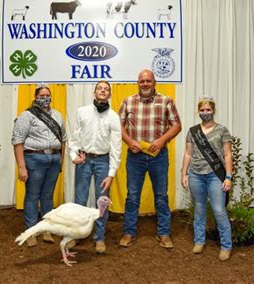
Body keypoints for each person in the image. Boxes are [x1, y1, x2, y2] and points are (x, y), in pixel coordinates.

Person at [118, 69, 182, 249]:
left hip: (158, 157)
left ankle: (164, 233)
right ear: (137, 83)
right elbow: (118, 125)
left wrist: (162, 140)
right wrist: (129, 141)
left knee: (161, 196)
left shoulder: (166, 101)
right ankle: (129, 232)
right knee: (132, 196)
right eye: (142, 81)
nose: (145, 84)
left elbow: (177, 125)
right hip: (135, 157)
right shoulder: (128, 101)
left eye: (148, 81)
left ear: (154, 82)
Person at [68, 81, 122, 254]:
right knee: (80, 199)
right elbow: (75, 137)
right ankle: (76, 235)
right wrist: (74, 156)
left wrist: (111, 173)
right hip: (84, 159)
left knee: (102, 201)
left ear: (110, 95)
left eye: (106, 89)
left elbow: (116, 146)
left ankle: (99, 237)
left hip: (103, 161)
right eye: (100, 88)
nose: (103, 91)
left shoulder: (114, 117)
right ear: (94, 92)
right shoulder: (82, 112)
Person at [12, 84, 66, 247]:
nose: (45, 98)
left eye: (47, 95)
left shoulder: (57, 115)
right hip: (35, 158)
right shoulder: (27, 115)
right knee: (32, 195)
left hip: (54, 158)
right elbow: (17, 141)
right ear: (35, 97)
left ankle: (46, 229)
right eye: (41, 95)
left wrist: (61, 161)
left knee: (47, 196)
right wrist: (21, 166)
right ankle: (31, 231)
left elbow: (63, 139)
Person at [180, 96, 233, 261]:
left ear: (214, 110)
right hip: (196, 175)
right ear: (198, 112)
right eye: (202, 110)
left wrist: (229, 177)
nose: (205, 113)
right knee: (200, 209)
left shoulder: (222, 130)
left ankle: (226, 246)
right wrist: (184, 173)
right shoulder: (193, 131)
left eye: (208, 110)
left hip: (215, 175)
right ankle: (199, 241)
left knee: (218, 210)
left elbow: (227, 154)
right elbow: (188, 153)